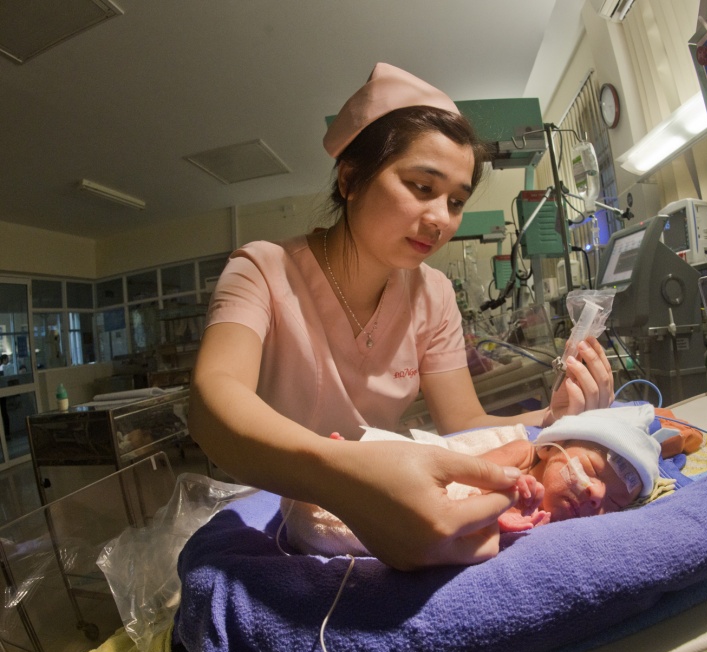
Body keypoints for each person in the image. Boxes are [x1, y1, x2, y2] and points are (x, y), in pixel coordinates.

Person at [188, 63, 614, 571]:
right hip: (278, 511)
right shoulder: (260, 269)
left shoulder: (432, 294)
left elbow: (464, 423)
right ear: (350, 180)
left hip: (389, 507)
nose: (441, 219)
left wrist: (554, 419)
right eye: (420, 186)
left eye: (456, 201)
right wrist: (350, 476)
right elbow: (213, 403)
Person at [281, 404, 679, 556]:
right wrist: (491, 502)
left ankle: (334, 481)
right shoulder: (519, 453)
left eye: (613, 505)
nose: (596, 495)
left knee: (320, 526)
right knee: (308, 511)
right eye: (592, 471)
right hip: (404, 468)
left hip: (368, 525)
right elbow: (455, 472)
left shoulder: (550, 525)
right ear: (548, 449)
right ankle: (343, 466)